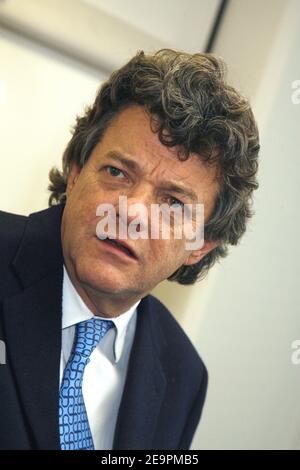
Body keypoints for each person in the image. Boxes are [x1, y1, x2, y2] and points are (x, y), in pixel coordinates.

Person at [0, 49, 259, 450]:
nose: (131, 211)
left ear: (200, 245)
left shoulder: (182, 375)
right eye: (117, 172)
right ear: (75, 172)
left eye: (173, 202)